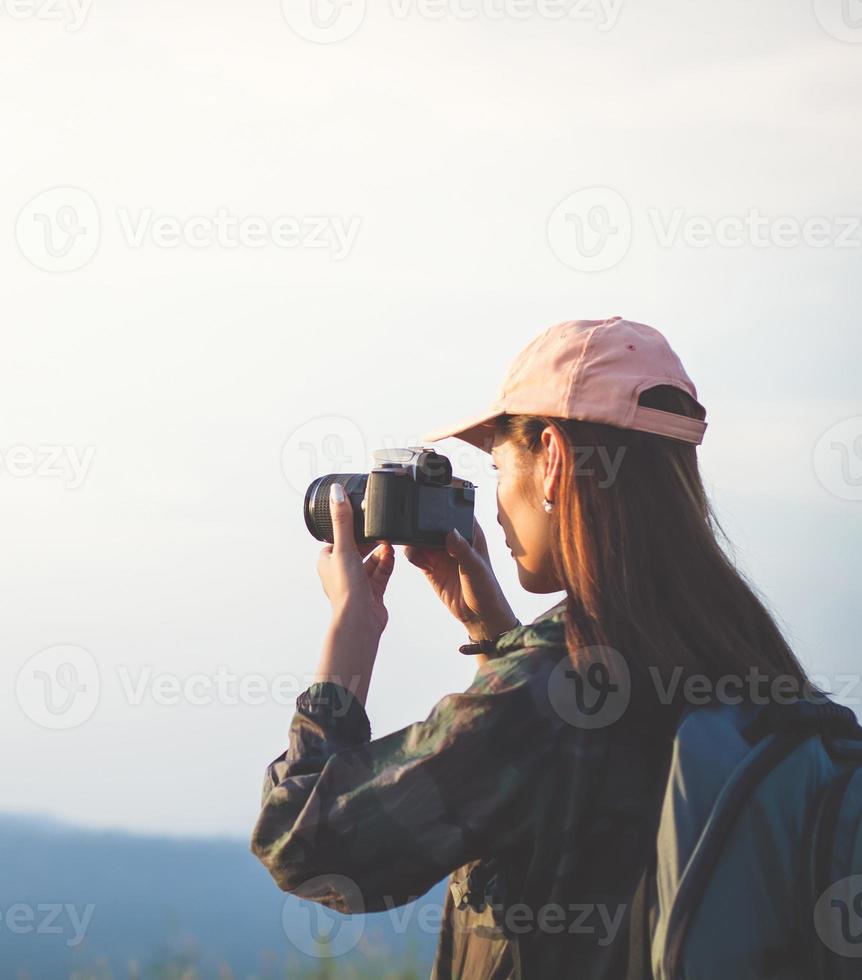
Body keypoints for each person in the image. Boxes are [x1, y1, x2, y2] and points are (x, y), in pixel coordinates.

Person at [251, 317, 814, 979]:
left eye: (497, 469)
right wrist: (498, 641)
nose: (493, 509)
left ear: (551, 460)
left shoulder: (551, 686)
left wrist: (352, 632)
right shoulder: (746, 650)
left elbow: (307, 848)